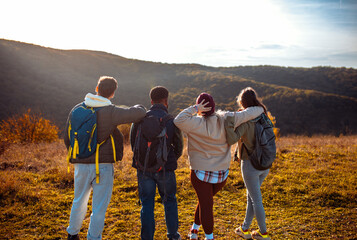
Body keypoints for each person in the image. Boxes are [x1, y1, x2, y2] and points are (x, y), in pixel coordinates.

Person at [64, 76, 146, 240]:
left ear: (96, 88)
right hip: (102, 167)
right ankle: (93, 237)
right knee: (99, 207)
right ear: (113, 93)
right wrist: (139, 106)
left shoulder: (77, 108)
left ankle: (72, 234)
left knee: (78, 200)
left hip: (80, 164)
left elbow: (67, 136)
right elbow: (138, 113)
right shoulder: (110, 111)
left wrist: (79, 155)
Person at [173, 92, 264, 240]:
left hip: (200, 173)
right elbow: (256, 111)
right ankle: (194, 230)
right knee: (205, 201)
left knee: (206, 204)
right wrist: (258, 106)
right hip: (221, 174)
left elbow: (178, 120)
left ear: (201, 108)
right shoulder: (227, 118)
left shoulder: (194, 123)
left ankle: (209, 237)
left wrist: (195, 108)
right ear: (214, 107)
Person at [130, 86, 183, 240]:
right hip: (166, 169)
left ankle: (147, 237)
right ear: (166, 102)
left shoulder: (140, 119)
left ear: (151, 101)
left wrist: (142, 161)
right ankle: (173, 235)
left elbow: (134, 143)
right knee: (170, 201)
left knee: (147, 204)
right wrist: (168, 160)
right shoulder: (171, 121)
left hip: (144, 168)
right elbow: (179, 146)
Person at [224, 87, 271, 240]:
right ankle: (244, 229)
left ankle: (263, 234)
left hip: (250, 165)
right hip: (265, 163)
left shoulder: (245, 122)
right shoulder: (263, 116)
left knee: (256, 199)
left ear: (243, 103)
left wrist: (229, 122)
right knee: (251, 196)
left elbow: (231, 139)